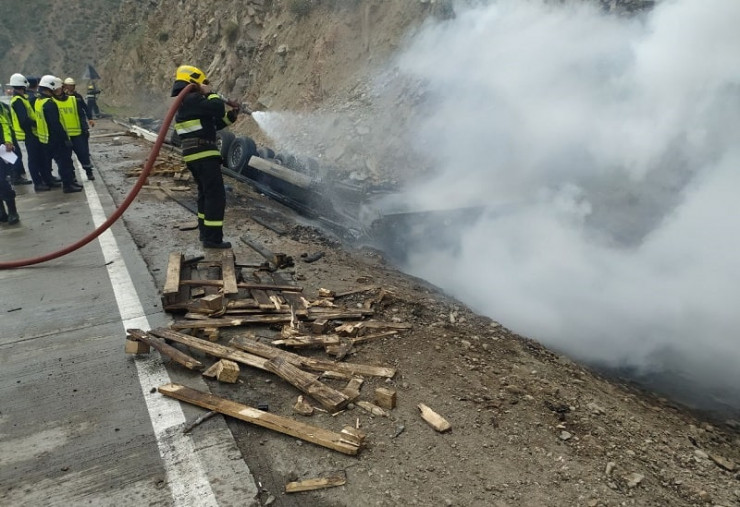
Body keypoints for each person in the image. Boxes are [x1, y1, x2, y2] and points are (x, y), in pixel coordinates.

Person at [171, 64, 238, 249]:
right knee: (215, 196)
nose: (205, 86)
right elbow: (217, 107)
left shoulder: (186, 103)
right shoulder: (192, 98)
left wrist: (232, 115)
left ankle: (205, 233)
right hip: (203, 154)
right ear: (194, 81)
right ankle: (213, 239)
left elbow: (212, 124)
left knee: (205, 194)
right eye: (203, 83)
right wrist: (211, 93)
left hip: (196, 155)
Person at [7, 73, 55, 191]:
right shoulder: (18, 100)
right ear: (23, 85)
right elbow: (24, 120)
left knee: (40, 158)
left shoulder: (21, 99)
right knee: (34, 159)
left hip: (32, 133)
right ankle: (38, 183)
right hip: (30, 133)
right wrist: (37, 123)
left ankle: (46, 180)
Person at [34, 75, 82, 193]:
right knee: (64, 163)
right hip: (56, 139)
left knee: (61, 162)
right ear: (51, 88)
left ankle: (70, 183)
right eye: (56, 88)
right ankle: (68, 185)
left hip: (46, 139)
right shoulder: (49, 104)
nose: (58, 90)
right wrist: (65, 139)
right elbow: (55, 124)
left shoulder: (38, 101)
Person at [59, 78, 95, 180]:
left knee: (83, 152)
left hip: (79, 129)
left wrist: (90, 119)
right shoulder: (57, 100)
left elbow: (84, 108)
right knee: (66, 157)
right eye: (69, 85)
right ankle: (71, 177)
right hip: (64, 133)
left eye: (72, 86)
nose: (71, 87)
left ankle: (89, 172)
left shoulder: (77, 97)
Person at [0, 105, 20, 224]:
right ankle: (1, 212)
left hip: (1, 150)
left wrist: (8, 141)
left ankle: (12, 211)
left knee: (4, 182)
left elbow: (5, 125)